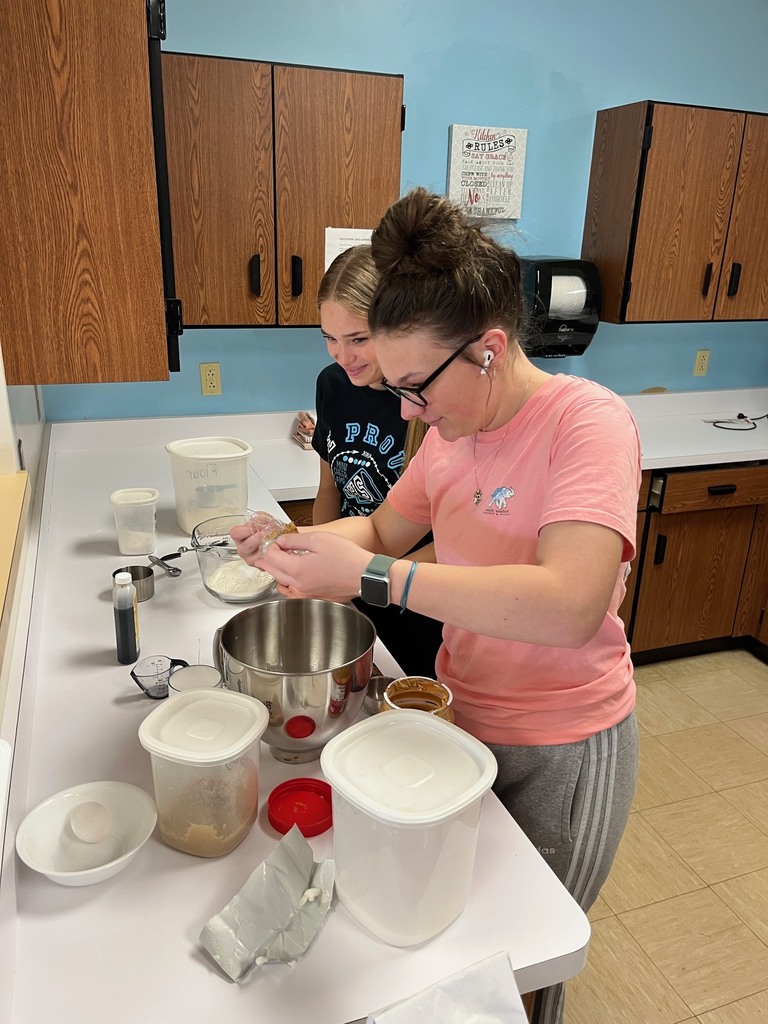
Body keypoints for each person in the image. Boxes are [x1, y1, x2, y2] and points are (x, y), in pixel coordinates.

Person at [234, 188, 641, 1024]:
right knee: (455, 951)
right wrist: (288, 543)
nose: (409, 409)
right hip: (457, 719)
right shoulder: (451, 436)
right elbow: (382, 523)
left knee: (524, 964)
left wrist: (375, 577)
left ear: (489, 350)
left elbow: (569, 604)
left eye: (416, 386)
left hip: (561, 741)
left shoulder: (586, 423)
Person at [310, 244, 443, 678]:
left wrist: (368, 579)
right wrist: (312, 559)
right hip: (360, 584)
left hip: (422, 607)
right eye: (329, 338)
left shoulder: (437, 405)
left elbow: (457, 543)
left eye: (358, 339)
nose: (341, 356)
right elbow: (337, 492)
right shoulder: (333, 384)